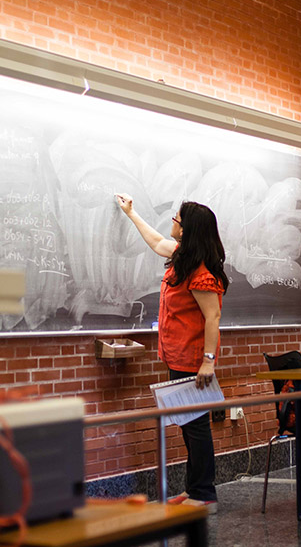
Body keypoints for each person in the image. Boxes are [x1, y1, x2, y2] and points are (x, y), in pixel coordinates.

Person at [115, 193, 229, 513]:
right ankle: (195, 489)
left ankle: (204, 494)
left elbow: (213, 318)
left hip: (193, 361)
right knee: (188, 427)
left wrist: (208, 361)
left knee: (196, 427)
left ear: (188, 228)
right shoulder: (183, 257)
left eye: (177, 219)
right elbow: (155, 241)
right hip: (177, 357)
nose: (173, 221)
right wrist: (131, 213)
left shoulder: (201, 272)